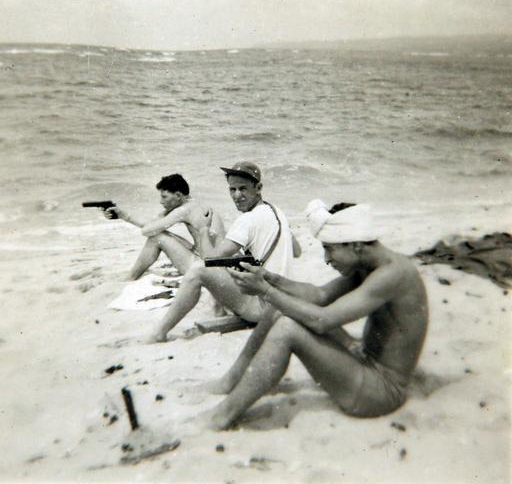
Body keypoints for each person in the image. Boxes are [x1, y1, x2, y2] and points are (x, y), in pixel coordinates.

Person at [201, 199, 429, 430]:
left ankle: (222, 416)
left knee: (287, 329)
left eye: (330, 248)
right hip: (364, 362)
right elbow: (320, 295)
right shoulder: (371, 264)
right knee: (280, 308)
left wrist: (265, 291)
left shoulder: (392, 274)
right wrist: (268, 278)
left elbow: (322, 321)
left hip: (381, 391)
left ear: (356, 246)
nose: (327, 259)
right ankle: (231, 381)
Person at [148, 161, 302, 343]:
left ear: (258, 188)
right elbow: (297, 251)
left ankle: (158, 333)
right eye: (232, 189)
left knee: (197, 270)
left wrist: (203, 229)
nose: (237, 195)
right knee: (231, 263)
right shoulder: (277, 212)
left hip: (264, 308)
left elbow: (209, 261)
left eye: (243, 189)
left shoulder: (248, 220)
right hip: (284, 302)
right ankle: (218, 310)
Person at [105, 173, 225, 279]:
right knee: (161, 234)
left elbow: (147, 231)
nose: (161, 201)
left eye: (164, 197)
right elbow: (153, 225)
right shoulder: (194, 204)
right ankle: (132, 275)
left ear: (178, 195)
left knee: (156, 237)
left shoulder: (184, 210)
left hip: (207, 267)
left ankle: (131, 277)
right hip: (218, 262)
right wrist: (123, 215)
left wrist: (164, 214)